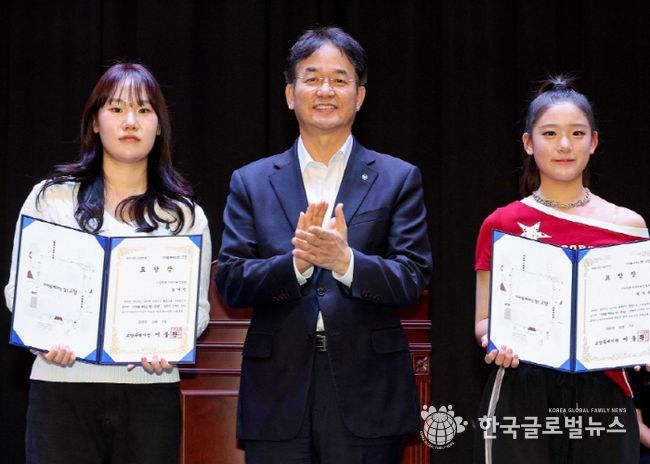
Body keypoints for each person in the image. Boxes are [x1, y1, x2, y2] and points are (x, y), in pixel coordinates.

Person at [216, 26, 432, 463]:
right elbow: (232, 280)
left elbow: (412, 276)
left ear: (360, 95)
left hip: (367, 389)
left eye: (339, 79)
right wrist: (295, 265)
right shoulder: (251, 181)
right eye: (312, 78)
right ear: (290, 94)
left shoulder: (397, 177)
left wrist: (346, 261)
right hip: (277, 390)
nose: (326, 90)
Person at [4, 62, 212, 464]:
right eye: (116, 109)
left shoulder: (184, 217)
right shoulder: (51, 200)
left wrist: (169, 344)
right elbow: (20, 291)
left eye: (144, 110)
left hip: (151, 391)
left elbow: (198, 312)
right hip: (61, 386)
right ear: (95, 123)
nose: (130, 121)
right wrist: (44, 337)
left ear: (159, 126)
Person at [473, 75, 648, 463]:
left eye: (577, 133)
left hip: (605, 390)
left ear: (594, 141)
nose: (565, 145)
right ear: (528, 143)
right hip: (523, 386)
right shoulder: (501, 224)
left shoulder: (628, 225)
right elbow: (483, 320)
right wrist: (495, 341)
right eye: (550, 133)